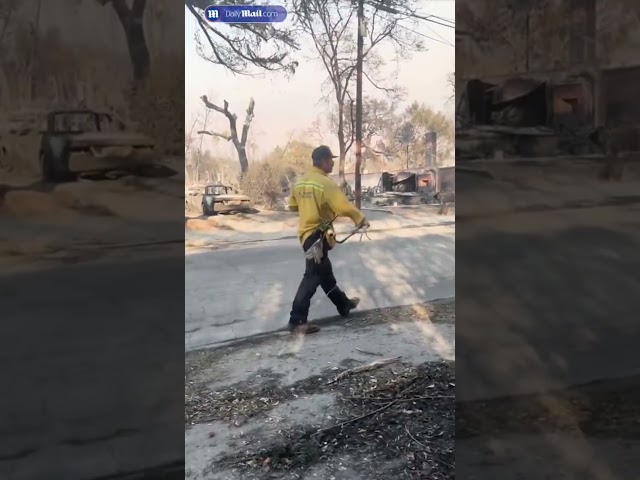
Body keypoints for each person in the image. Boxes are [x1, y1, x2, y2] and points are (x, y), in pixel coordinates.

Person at [287, 145, 370, 335]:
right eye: (330, 160)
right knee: (312, 277)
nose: (332, 163)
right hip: (318, 236)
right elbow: (343, 206)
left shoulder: (300, 182)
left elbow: (292, 206)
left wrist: (309, 208)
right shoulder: (325, 183)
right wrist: (360, 219)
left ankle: (344, 304)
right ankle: (297, 321)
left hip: (307, 235)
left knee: (325, 275)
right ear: (324, 161)